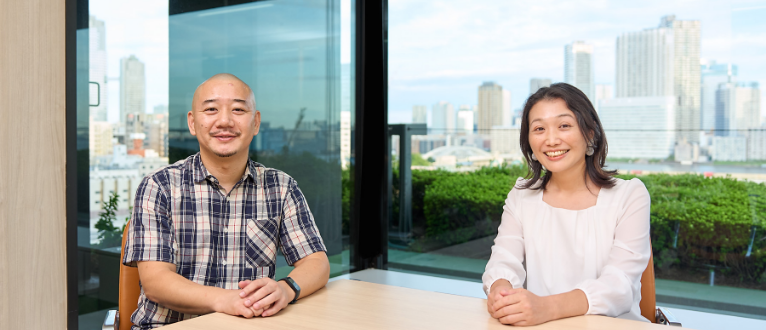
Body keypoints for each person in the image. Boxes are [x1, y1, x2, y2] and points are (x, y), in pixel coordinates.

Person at [122, 73, 330, 329]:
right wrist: (228, 300)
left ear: (255, 123)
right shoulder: (159, 186)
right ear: (192, 122)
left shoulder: (281, 187)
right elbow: (155, 282)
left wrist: (286, 289)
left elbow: (316, 262)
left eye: (238, 110)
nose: (224, 121)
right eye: (211, 109)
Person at [483, 83, 651, 326]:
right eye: (539, 128)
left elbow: (620, 284)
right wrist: (501, 289)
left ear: (590, 133)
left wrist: (547, 308)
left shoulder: (629, 195)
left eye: (564, 125)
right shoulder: (522, 195)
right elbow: (502, 260)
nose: (551, 140)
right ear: (529, 141)